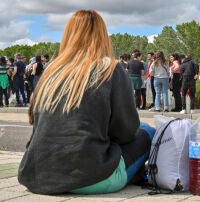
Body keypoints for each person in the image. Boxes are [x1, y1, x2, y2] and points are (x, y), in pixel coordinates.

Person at [18, 10, 155, 195]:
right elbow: (125, 132)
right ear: (102, 36)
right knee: (148, 131)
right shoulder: (109, 69)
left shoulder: (50, 73)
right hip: (93, 176)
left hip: (36, 176)